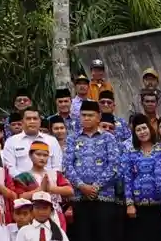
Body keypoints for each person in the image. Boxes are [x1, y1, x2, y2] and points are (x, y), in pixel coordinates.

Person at [63, 100, 119, 241]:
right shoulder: (72, 139)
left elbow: (114, 166)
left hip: (103, 196)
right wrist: (82, 186)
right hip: (79, 196)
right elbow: (67, 166)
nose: (86, 118)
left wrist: (95, 187)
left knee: (104, 236)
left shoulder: (109, 138)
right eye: (83, 115)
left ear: (99, 116)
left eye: (90, 115)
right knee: (82, 235)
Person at [122, 114, 161, 241]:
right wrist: (129, 204)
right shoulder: (131, 152)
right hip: (139, 205)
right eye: (138, 130)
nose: (142, 132)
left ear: (150, 129)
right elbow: (127, 179)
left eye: (144, 128)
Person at [2, 109, 62, 174]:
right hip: (20, 182)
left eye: (35, 118)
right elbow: (10, 169)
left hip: (49, 182)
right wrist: (28, 181)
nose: (32, 121)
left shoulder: (52, 141)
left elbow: (57, 167)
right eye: (28, 119)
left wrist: (47, 180)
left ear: (40, 121)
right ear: (22, 122)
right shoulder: (11, 141)